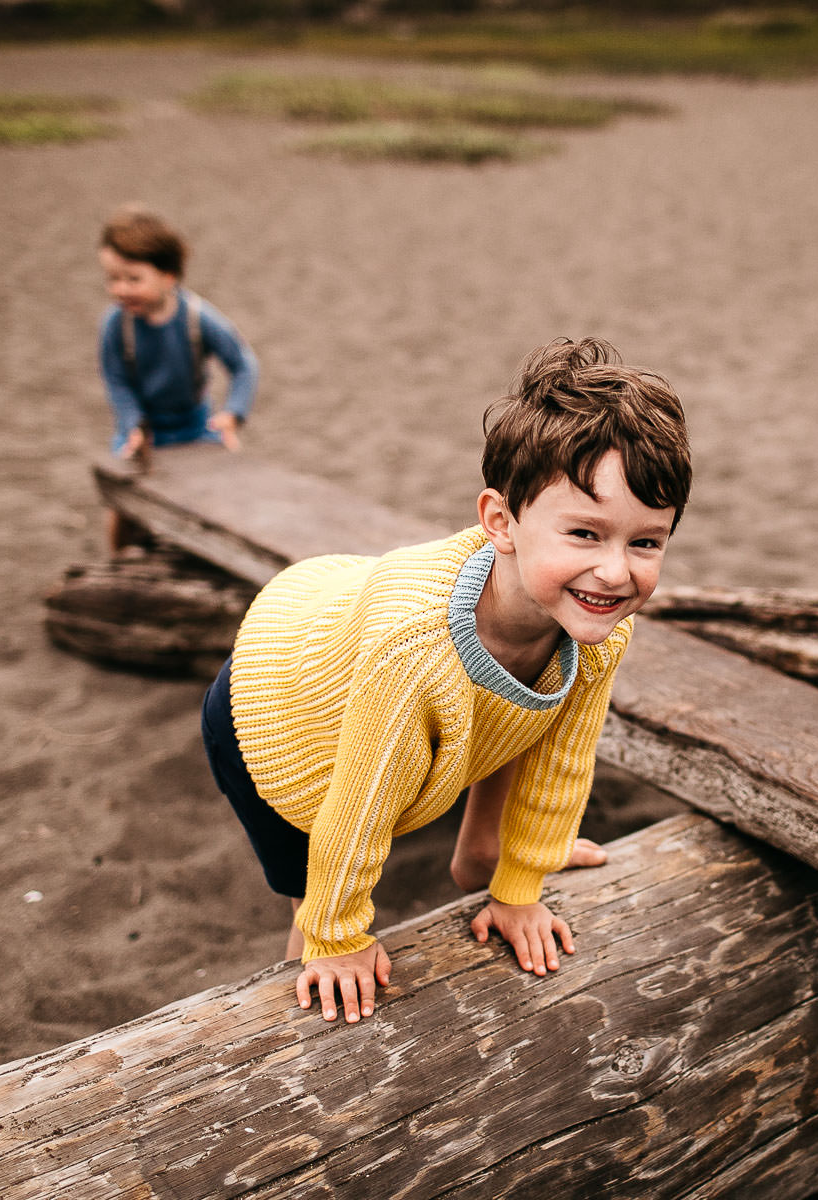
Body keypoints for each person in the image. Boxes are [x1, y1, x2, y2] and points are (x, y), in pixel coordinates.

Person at [201, 336, 691, 1024]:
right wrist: (338, 935)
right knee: (315, 901)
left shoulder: (596, 625)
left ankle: (480, 854)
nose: (616, 571)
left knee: (516, 701)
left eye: (645, 542)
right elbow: (359, 805)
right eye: (585, 534)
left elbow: (561, 757)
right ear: (502, 521)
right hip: (275, 705)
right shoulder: (414, 648)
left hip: (420, 677)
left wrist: (521, 880)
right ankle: (303, 1004)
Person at [97, 204, 260, 550]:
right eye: (112, 279)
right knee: (122, 503)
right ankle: (120, 559)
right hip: (143, 430)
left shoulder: (198, 320)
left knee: (220, 495)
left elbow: (244, 364)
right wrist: (132, 424)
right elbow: (117, 381)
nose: (121, 289)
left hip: (195, 423)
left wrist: (232, 414)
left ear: (169, 276)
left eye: (132, 279)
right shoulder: (116, 326)